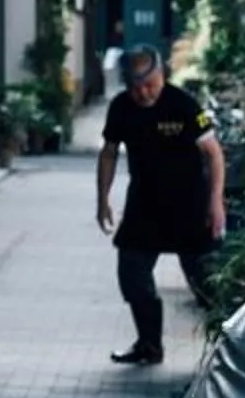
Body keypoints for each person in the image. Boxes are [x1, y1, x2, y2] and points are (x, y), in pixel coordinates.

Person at [94, 46, 228, 366]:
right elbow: (109, 153)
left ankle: (227, 353)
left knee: (206, 282)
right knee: (132, 274)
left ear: (162, 76)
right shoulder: (121, 108)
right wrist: (103, 200)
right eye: (135, 86)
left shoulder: (182, 104)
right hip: (144, 204)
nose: (143, 93)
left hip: (189, 204)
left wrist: (216, 201)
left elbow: (213, 153)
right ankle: (149, 345)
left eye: (150, 84)